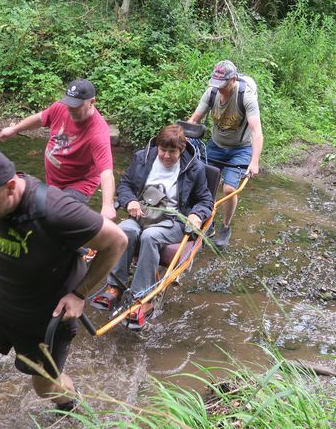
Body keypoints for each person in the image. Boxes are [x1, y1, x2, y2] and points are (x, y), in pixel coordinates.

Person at [0, 148, 127, 429]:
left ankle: (73, 405)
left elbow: (117, 241)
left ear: (11, 186)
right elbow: (1, 229)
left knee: (46, 389)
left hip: (46, 316)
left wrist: (80, 294)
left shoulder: (56, 209)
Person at [91, 125, 213, 329]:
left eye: (172, 152)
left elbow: (205, 200)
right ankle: (116, 286)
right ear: (157, 146)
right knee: (125, 231)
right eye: (162, 150)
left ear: (181, 150)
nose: (166, 156)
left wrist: (195, 214)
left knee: (150, 236)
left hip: (173, 221)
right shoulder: (142, 158)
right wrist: (130, 201)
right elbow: (125, 185)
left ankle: (141, 298)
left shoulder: (195, 168)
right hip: (141, 215)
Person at [0, 79, 116, 220]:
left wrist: (107, 205)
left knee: (57, 217)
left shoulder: (98, 132)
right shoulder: (61, 107)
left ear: (92, 102)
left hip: (78, 184)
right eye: (69, 103)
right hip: (55, 180)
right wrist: (14, 129)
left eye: (76, 106)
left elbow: (106, 172)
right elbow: (40, 118)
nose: (70, 109)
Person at [188, 60, 263, 248]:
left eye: (223, 86)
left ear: (234, 79)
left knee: (229, 189)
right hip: (215, 145)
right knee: (204, 185)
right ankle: (207, 222)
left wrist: (254, 162)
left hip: (240, 148)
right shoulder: (212, 93)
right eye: (217, 85)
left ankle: (226, 226)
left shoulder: (246, 97)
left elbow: (256, 131)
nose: (219, 90)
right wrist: (181, 142)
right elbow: (194, 120)